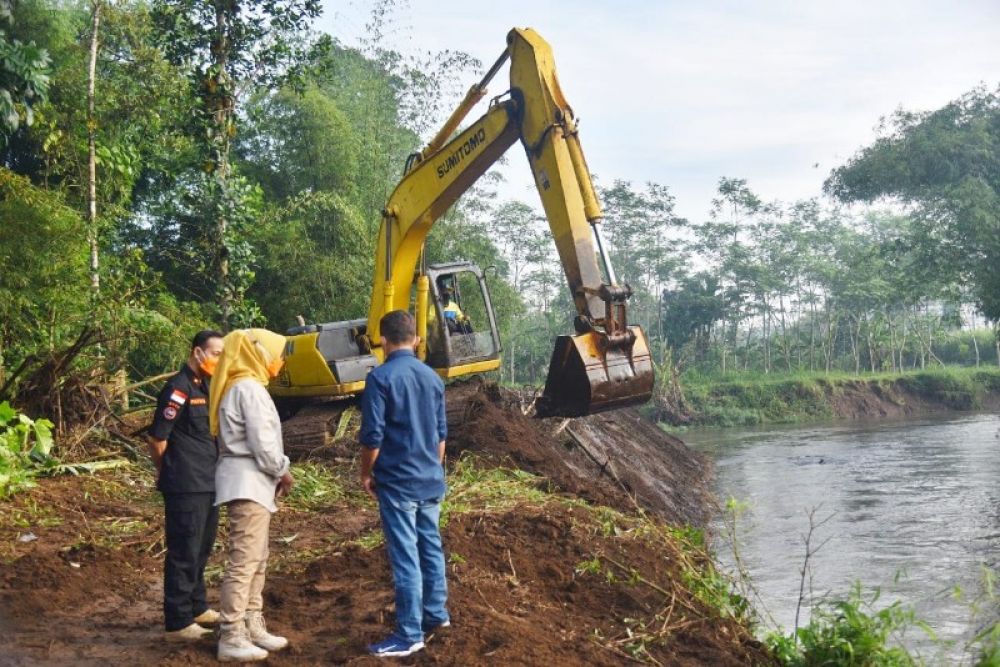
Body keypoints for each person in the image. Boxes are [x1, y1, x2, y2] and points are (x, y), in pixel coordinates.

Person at [360, 310, 450, 658]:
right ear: (415, 339)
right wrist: (431, 469)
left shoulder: (380, 378)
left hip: (398, 483)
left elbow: (373, 437)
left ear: (383, 340)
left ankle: (409, 633)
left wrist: (367, 473)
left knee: (405, 556)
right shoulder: (432, 378)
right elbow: (441, 436)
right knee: (430, 547)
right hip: (430, 480)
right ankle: (436, 615)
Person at [209, 328, 295, 663]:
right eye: (276, 353)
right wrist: (282, 470)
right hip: (249, 481)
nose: (280, 360)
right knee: (244, 561)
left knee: (257, 557)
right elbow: (264, 443)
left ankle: (252, 623)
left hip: (252, 482)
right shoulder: (248, 389)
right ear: (258, 353)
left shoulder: (243, 385)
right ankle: (232, 633)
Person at [147, 329, 224, 642]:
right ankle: (178, 620)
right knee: (184, 551)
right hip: (185, 484)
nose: (220, 360)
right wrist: (170, 471)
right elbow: (157, 438)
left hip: (208, 481)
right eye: (216, 353)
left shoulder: (207, 385)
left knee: (202, 548)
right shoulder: (177, 389)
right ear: (197, 353)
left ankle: (197, 606)